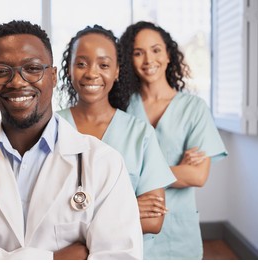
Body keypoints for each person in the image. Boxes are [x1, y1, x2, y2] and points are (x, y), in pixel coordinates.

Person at [0, 20, 143, 260]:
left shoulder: (104, 164)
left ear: (53, 76)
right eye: (0, 71)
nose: (17, 82)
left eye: (32, 68)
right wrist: (53, 260)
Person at [119, 21, 228, 259]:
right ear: (129, 59)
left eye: (156, 50)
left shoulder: (194, 108)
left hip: (180, 231)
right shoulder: (123, 109)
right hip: (134, 227)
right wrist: (179, 170)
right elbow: (113, 173)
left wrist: (139, 176)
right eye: (138, 53)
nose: (148, 60)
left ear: (169, 55)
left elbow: (198, 175)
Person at [57, 25, 176, 237]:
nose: (92, 73)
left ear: (117, 71)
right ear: (69, 69)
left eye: (104, 64)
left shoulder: (140, 133)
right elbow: (36, 213)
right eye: (81, 64)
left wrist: (74, 221)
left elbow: (154, 221)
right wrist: (126, 208)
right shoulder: (50, 128)